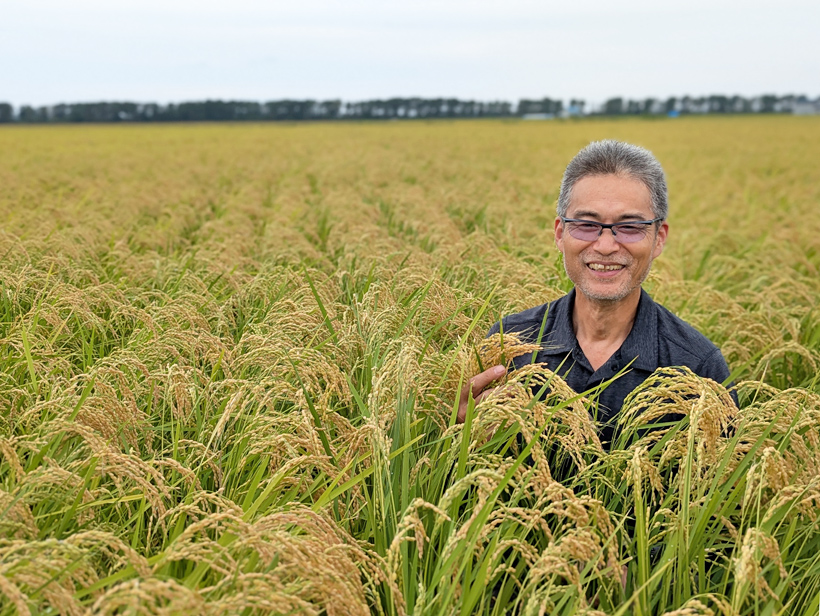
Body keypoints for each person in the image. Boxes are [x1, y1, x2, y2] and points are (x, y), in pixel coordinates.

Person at [457, 140, 734, 445]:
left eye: (630, 227)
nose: (605, 246)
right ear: (561, 234)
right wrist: (460, 429)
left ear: (658, 239)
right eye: (586, 224)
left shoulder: (698, 367)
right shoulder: (510, 343)